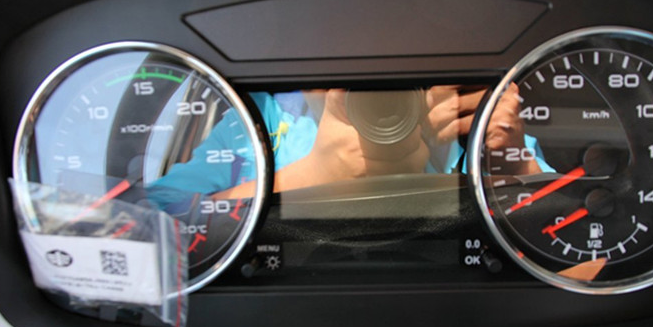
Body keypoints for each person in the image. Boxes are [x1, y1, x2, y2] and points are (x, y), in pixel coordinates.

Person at [153, 83, 548, 203]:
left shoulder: (470, 120)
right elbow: (151, 222)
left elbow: (573, 238)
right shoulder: (259, 121)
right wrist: (314, 175)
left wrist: (511, 161)